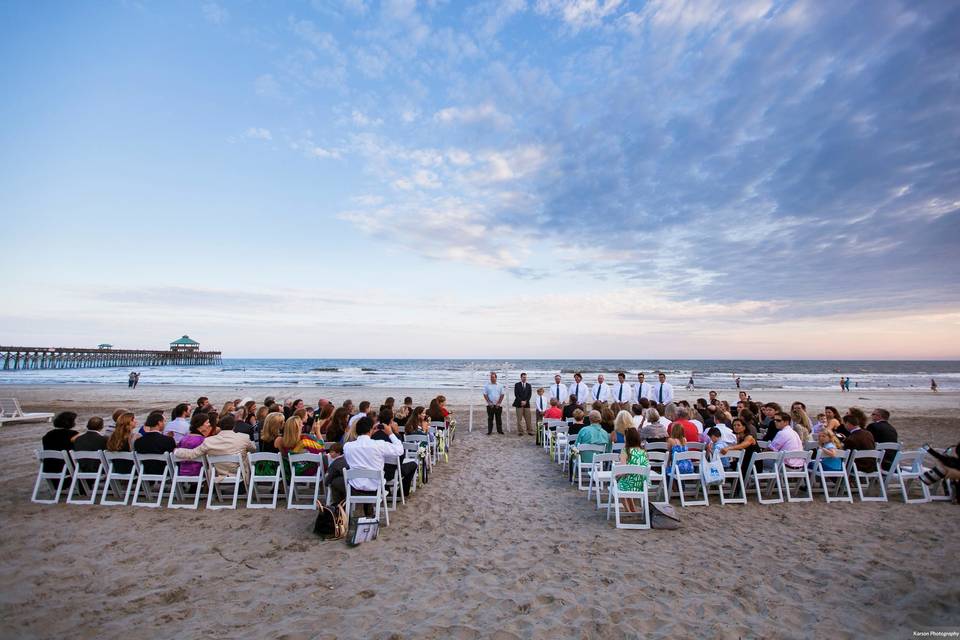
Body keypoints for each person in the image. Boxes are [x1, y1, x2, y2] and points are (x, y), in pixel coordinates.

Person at [342, 416, 405, 513]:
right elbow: (400, 450)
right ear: (371, 430)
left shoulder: (347, 446)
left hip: (355, 488)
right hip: (375, 488)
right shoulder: (378, 444)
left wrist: (370, 433)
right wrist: (390, 433)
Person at [173, 413, 257, 481]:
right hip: (239, 471)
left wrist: (176, 451)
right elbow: (254, 449)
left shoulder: (209, 441)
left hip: (218, 472)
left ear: (219, 427)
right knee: (248, 455)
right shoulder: (244, 437)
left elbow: (192, 453)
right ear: (234, 426)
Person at [372, 407, 417, 496]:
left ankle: (387, 490)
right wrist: (395, 432)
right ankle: (402, 493)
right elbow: (401, 457)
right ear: (391, 420)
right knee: (413, 465)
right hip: (390, 473)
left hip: (375, 471)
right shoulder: (394, 436)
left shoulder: (373, 436)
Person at [616, 428, 649, 512]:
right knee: (626, 480)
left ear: (627, 438)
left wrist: (616, 476)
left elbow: (622, 470)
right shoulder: (644, 451)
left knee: (619, 483)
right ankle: (632, 509)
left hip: (629, 483)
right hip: (641, 484)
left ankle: (628, 511)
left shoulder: (625, 451)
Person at [513, 372, 533, 437]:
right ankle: (520, 431)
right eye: (523, 377)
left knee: (528, 418)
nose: (525, 378)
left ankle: (529, 431)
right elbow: (516, 394)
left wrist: (526, 401)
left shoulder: (529, 385)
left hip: (527, 404)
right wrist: (521, 401)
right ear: (521, 377)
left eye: (525, 377)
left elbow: (530, 395)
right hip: (519, 403)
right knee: (519, 419)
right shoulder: (517, 385)